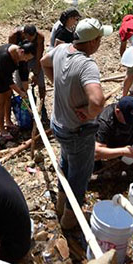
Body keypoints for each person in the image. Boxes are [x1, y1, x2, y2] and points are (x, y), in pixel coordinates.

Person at [41, 18, 111, 230]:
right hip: (78, 131)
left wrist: (58, 85)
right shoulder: (87, 65)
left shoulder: (61, 50)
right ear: (91, 42)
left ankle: (61, 206)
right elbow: (98, 101)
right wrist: (89, 112)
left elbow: (44, 61)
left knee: (66, 163)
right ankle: (69, 223)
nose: (100, 43)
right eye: (99, 39)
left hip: (59, 126)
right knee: (79, 177)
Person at [0, 41, 35, 140]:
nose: (26, 60)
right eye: (26, 58)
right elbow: (8, 79)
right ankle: (2, 130)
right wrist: (20, 92)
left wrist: (26, 90)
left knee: (8, 98)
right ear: (22, 52)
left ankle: (8, 122)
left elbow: (23, 74)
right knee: (0, 103)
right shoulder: (4, 56)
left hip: (4, 78)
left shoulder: (21, 57)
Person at [8, 24, 48, 120]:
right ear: (23, 34)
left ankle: (42, 107)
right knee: (21, 85)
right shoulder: (14, 36)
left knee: (41, 84)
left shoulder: (40, 37)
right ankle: (26, 109)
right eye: (28, 37)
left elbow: (39, 56)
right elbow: (11, 54)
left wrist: (36, 73)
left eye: (32, 37)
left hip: (33, 58)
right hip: (20, 59)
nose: (30, 39)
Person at [95, 96, 133, 161]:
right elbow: (96, 152)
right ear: (117, 112)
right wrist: (122, 151)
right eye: (127, 120)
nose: (130, 123)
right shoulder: (104, 122)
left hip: (126, 138)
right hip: (111, 145)